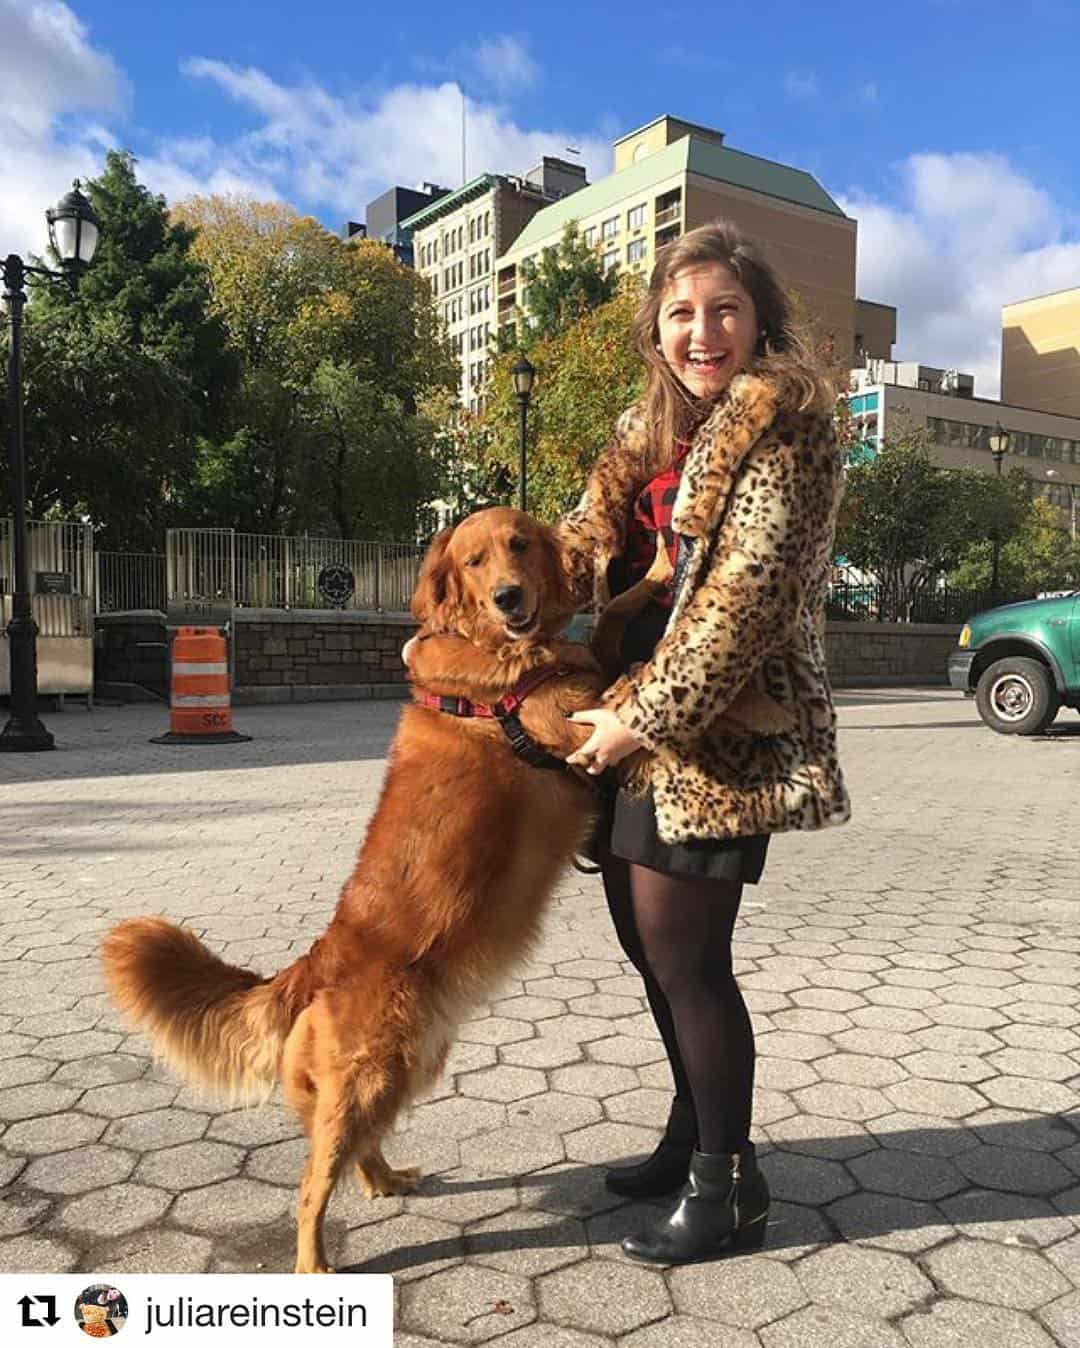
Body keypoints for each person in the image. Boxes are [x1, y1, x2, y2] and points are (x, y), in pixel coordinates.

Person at [554, 219, 850, 1265]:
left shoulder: (793, 428)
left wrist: (642, 714)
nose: (702, 330)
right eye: (681, 312)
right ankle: (692, 1138)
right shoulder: (648, 432)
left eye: (723, 307)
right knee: (647, 950)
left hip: (718, 730)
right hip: (626, 715)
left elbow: (744, 603)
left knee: (690, 960)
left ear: (760, 315)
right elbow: (584, 539)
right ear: (658, 329)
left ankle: (731, 1188)